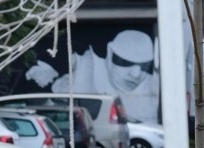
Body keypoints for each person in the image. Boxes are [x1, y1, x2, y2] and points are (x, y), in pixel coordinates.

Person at [25, 29, 159, 124]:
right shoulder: (87, 67)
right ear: (110, 52)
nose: (135, 74)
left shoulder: (156, 87)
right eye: (125, 62)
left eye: (144, 66)